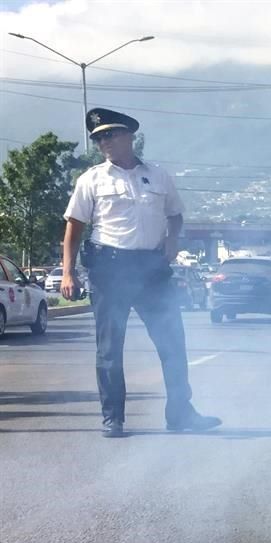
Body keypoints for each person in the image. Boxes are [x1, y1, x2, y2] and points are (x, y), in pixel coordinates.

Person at [61, 108, 221, 438]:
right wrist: (68, 273)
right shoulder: (91, 179)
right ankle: (113, 418)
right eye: (99, 137)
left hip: (151, 270)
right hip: (110, 270)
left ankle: (180, 413)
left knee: (173, 343)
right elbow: (74, 227)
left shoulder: (158, 176)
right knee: (109, 348)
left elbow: (175, 214)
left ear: (129, 136)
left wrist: (172, 238)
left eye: (110, 135)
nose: (104, 141)